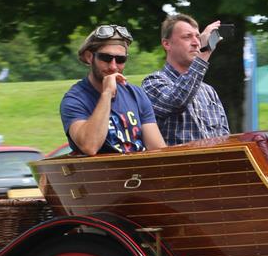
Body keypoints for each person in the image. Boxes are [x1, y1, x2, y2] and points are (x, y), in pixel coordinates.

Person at [60, 24, 167, 156]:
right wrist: (107, 94)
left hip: (138, 174)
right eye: (106, 58)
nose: (113, 66)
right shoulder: (74, 99)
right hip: (102, 175)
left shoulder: (137, 94)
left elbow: (157, 149)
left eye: (120, 59)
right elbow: (89, 146)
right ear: (89, 57)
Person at [141, 13, 231, 144]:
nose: (196, 43)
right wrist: (205, 52)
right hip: (179, 164)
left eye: (198, 37)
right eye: (187, 37)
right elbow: (177, 101)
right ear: (166, 44)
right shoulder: (152, 82)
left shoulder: (209, 91)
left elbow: (224, 138)